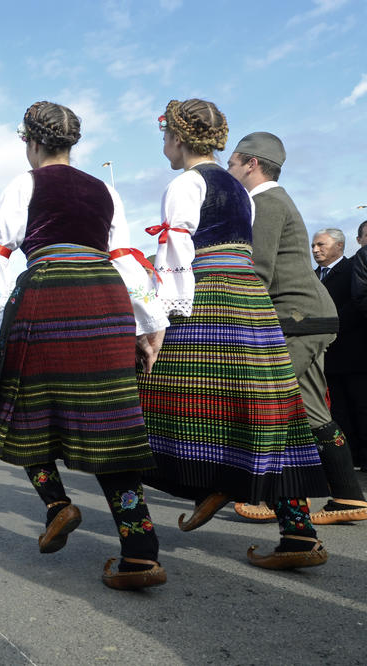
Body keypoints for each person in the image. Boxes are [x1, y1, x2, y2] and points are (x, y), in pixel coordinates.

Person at [0, 101, 170, 589]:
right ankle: (141, 553)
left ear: (31, 141)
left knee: (21, 409)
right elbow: (126, 257)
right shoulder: (105, 189)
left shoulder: (25, 183)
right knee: (112, 420)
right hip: (104, 298)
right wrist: (149, 324)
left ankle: (58, 503)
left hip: (47, 293)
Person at [138, 99, 330, 569]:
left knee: (158, 393)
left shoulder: (186, 183)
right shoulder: (239, 189)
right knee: (267, 405)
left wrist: (159, 320)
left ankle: (209, 485)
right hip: (250, 300)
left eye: (165, 136)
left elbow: (175, 257)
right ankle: (299, 535)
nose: (164, 145)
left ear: (179, 139)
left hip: (208, 296)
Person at [226, 136, 366, 525]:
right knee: (311, 409)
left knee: (272, 404)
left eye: (232, 163)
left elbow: (257, 272)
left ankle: (276, 499)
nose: (229, 170)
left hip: (298, 320)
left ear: (251, 163)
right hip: (306, 318)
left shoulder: (265, 203)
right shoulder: (273, 200)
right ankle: (347, 497)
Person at [318, 228, 367, 475]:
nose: (315, 249)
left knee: (361, 406)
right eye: (314, 245)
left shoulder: (352, 270)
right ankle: (348, 457)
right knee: (337, 410)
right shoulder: (313, 275)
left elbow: (356, 304)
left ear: (339, 245)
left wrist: (331, 326)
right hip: (328, 355)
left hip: (354, 352)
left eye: (321, 245)